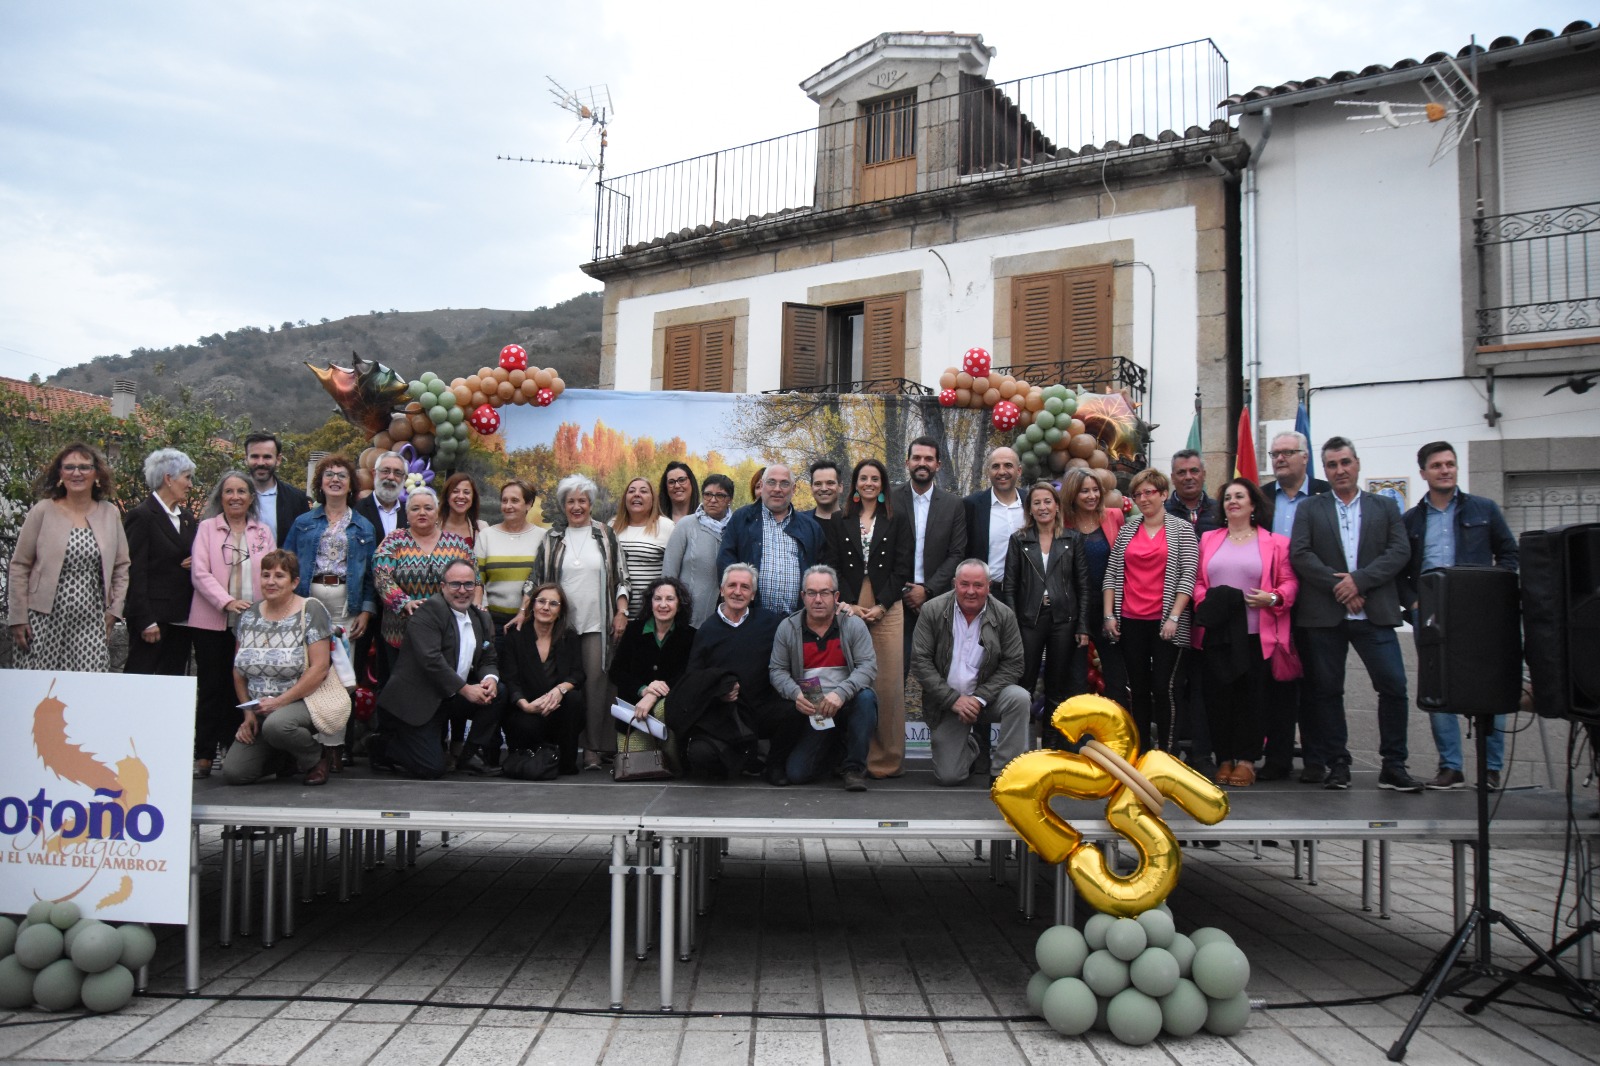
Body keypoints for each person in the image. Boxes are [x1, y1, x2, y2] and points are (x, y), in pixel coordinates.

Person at [1290, 436, 1422, 792]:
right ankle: (1338, 765)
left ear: (1357, 464)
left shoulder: (1384, 506)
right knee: (1327, 692)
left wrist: (1359, 582)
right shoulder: (1310, 508)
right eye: (1332, 465)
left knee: (1394, 686)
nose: (1340, 470)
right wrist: (1341, 587)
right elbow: (1300, 554)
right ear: (1325, 470)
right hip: (1325, 617)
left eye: (1345, 462)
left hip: (1374, 614)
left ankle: (1394, 765)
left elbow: (1399, 551)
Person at [1400, 441, 1519, 791]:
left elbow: (1509, 553)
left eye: (1450, 464)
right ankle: (1451, 767)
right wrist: (1415, 604)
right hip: (1433, 617)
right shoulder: (1411, 520)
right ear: (1423, 473)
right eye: (1437, 465)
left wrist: (1495, 592)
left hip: (1479, 614)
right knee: (1439, 691)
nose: (1445, 470)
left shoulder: (1484, 509)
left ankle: (1491, 769)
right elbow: (1399, 572)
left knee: (1490, 689)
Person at [513, 474, 629, 769]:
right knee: (563, 687)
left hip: (596, 625)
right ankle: (561, 746)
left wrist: (621, 612)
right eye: (570, 501)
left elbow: (622, 577)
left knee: (596, 688)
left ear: (591, 503)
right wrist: (523, 610)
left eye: (582, 501)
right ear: (563, 506)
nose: (577, 506)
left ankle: (593, 748)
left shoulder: (605, 535)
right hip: (558, 628)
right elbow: (535, 580)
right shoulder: (551, 538)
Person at [1190, 478, 1298, 787]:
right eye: (1227, 498)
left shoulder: (1275, 542)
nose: (1232, 501)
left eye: (1240, 496)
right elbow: (1198, 580)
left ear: (1253, 504)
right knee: (1218, 698)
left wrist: (1274, 597)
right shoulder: (1209, 539)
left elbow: (1289, 581)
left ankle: (1248, 760)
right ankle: (1224, 757)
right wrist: (1204, 601)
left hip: (1255, 633)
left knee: (1253, 699)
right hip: (1217, 633)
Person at [665, 563, 805, 784]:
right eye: (732, 585)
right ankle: (741, 761)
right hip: (723, 714)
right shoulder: (706, 630)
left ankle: (774, 765)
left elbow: (803, 624)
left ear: (753, 594)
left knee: (795, 711)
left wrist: (839, 609)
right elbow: (693, 680)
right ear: (721, 590)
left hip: (760, 708)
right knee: (700, 755)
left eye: (745, 587)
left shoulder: (771, 623)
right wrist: (718, 692)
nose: (737, 592)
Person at [372, 487, 477, 766]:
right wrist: (403, 602)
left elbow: (472, 577)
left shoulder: (456, 543)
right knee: (400, 694)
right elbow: (381, 576)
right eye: (415, 508)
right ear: (407, 514)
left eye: (427, 508)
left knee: (438, 691)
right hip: (400, 633)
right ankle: (392, 748)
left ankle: (434, 745)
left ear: (437, 512)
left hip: (445, 637)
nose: (422, 513)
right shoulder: (394, 541)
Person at [821, 458, 912, 777]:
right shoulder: (839, 518)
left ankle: (887, 760)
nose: (869, 483)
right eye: (863, 478)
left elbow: (904, 567)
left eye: (875, 478)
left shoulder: (897, 518)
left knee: (887, 684)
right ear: (855, 484)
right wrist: (847, 603)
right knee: (850, 678)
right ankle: (852, 757)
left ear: (883, 485)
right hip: (849, 605)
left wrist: (883, 604)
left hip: (887, 604)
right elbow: (832, 564)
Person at [370, 560, 499, 779]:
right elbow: (431, 660)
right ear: (442, 586)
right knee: (432, 769)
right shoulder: (428, 611)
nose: (462, 591)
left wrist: (490, 679)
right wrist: (466, 689)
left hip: (450, 697)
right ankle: (382, 744)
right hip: (418, 702)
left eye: (468, 585)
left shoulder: (481, 617)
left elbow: (488, 656)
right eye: (455, 584)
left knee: (500, 693)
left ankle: (469, 755)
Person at [9, 443, 130, 673]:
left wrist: (114, 611)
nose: (77, 473)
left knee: (89, 689)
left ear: (96, 474)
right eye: (70, 467)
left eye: (84, 467)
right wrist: (18, 617)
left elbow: (122, 566)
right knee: (39, 692)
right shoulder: (42, 511)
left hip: (90, 619)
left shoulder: (110, 513)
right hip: (42, 620)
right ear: (60, 474)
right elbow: (19, 566)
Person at [1103, 468, 1198, 754]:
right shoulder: (1128, 530)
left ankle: (1168, 752)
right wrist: (1109, 615)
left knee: (1164, 688)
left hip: (1167, 622)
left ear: (1164, 494)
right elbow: (1111, 574)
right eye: (1138, 494)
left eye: (1149, 492)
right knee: (1139, 690)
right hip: (1131, 620)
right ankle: (1142, 750)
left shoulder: (1182, 529)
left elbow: (1188, 575)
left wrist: (1174, 616)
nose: (1144, 498)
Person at [911, 559, 1031, 786]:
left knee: (1019, 698)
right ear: (954, 583)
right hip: (948, 703)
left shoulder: (1005, 615)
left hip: (988, 698)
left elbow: (1014, 664)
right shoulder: (932, 610)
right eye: (964, 584)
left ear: (989, 586)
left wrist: (979, 698)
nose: (970, 591)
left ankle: (1005, 773)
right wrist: (953, 699)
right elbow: (920, 662)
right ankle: (973, 746)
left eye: (978, 585)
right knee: (949, 777)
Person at [224, 550, 338, 786]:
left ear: (294, 581)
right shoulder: (248, 616)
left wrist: (279, 702)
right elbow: (238, 670)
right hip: (260, 709)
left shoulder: (311, 609)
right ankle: (286, 756)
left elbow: (320, 667)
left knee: (278, 725)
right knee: (235, 773)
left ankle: (316, 757)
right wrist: (248, 713)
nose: (271, 582)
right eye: (266, 575)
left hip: (303, 702)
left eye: (279, 576)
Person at [189, 471, 276, 778]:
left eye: (242, 491)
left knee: (239, 686)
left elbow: (272, 573)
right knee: (211, 685)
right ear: (220, 497)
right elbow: (199, 573)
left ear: (252, 497)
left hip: (251, 623)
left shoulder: (263, 532)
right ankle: (203, 753)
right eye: (229, 491)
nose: (235, 496)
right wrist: (226, 601)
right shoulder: (207, 529)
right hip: (211, 618)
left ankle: (231, 747)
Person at [1258, 430, 1329, 780]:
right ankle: (1278, 758)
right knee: (1278, 684)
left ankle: (1316, 759)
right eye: (1275, 454)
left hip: (1315, 603)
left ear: (1305, 456)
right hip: (1272, 605)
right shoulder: (1263, 497)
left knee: (1316, 682)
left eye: (1287, 452)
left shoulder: (1324, 494)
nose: (1280, 459)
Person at [769, 565, 878, 790]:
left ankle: (854, 769)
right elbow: (777, 670)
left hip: (847, 701)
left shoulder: (853, 625)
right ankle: (836, 749)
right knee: (797, 774)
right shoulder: (787, 628)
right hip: (814, 709)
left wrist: (841, 693)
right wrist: (795, 693)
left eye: (825, 593)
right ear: (803, 596)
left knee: (866, 698)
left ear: (836, 596)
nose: (818, 599)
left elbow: (868, 667)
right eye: (811, 593)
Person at [1002, 481, 1090, 746]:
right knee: (1024, 683)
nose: (1043, 507)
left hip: (1064, 619)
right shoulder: (1019, 539)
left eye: (1047, 501)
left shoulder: (1073, 539)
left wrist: (1083, 625)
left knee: (1056, 684)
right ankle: (1021, 744)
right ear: (1030, 509)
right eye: (1037, 502)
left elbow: (1083, 585)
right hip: (1029, 619)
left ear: (1057, 506)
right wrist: (1012, 625)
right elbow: (1010, 586)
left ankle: (1052, 745)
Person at [892, 437, 967, 679]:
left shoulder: (953, 504)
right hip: (896, 601)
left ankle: (937, 719)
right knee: (895, 673)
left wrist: (927, 590)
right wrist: (905, 589)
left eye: (928, 459)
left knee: (939, 673)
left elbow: (957, 553)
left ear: (938, 465)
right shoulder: (891, 500)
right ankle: (893, 719)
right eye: (917, 458)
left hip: (939, 602)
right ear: (907, 462)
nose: (922, 463)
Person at [284, 453, 376, 647]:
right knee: (306, 659)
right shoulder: (302, 522)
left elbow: (370, 574)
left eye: (342, 475)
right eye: (329, 475)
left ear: (351, 485)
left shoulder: (365, 527)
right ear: (320, 483)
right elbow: (286, 565)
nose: (335, 479)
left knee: (342, 665)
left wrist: (366, 611)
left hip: (345, 602)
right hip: (307, 597)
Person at [122, 447, 198, 677]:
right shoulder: (141, 516)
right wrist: (145, 620)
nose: (190, 485)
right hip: (153, 621)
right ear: (168, 478)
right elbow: (134, 572)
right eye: (187, 477)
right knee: (140, 680)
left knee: (172, 686)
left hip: (182, 619)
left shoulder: (186, 518)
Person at [501, 581, 585, 775]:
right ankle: (529, 760)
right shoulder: (516, 636)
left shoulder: (568, 636)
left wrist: (560, 690)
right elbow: (510, 678)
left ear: (561, 610)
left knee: (574, 699)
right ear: (533, 605)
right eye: (541, 601)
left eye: (553, 603)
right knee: (525, 723)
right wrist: (526, 706)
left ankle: (565, 762)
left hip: (557, 707)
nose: (546, 607)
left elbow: (578, 674)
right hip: (526, 708)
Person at [718, 464, 825, 616]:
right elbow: (725, 562)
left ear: (793, 489)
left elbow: (821, 572)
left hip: (798, 622)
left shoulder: (811, 528)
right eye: (771, 482)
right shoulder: (742, 519)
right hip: (750, 620)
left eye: (784, 483)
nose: (777, 489)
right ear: (761, 486)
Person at [1061, 468, 1127, 707]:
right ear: (1072, 494)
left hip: (1109, 608)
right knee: (1076, 679)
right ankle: (1079, 740)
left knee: (1116, 677)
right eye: (1084, 491)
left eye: (1095, 490)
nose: (1092, 496)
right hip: (1075, 611)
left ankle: (1122, 737)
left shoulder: (1114, 516)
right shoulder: (1063, 523)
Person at [610, 576, 697, 754]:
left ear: (679, 604)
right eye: (657, 598)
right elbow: (616, 672)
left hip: (671, 713)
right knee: (634, 763)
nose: (663, 604)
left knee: (669, 763)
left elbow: (689, 674)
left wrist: (654, 696)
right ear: (650, 602)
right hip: (634, 714)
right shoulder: (634, 630)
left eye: (670, 599)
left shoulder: (690, 635)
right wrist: (643, 690)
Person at [663, 473, 735, 628]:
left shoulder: (736, 528)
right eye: (708, 494)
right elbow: (669, 572)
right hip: (688, 614)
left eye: (720, 495)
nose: (713, 500)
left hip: (727, 614)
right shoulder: (686, 525)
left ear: (730, 500)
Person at [476, 479, 546, 629]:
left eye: (514, 500)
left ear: (528, 504)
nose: (508, 506)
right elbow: (477, 581)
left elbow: (544, 581)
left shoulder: (543, 537)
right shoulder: (486, 536)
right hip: (493, 621)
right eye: (504, 501)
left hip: (531, 623)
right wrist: (480, 616)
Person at [614, 477, 674, 618]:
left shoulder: (666, 527)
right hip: (617, 615)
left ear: (653, 499)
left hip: (653, 615)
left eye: (644, 491)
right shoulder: (612, 526)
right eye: (631, 491)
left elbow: (673, 574)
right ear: (625, 498)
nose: (637, 494)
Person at [962, 447, 1025, 584]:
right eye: (996, 466)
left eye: (1008, 465)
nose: (1002, 472)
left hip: (1026, 593)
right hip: (987, 592)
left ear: (1019, 470)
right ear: (988, 472)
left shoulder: (1031, 503)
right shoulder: (972, 505)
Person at [243, 432, 309, 547]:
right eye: (255, 456)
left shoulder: (296, 499)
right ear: (246, 459)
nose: (261, 463)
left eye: (267, 457)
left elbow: (305, 543)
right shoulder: (231, 498)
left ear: (278, 459)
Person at [1166, 449, 1223, 534]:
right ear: (1173, 478)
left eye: (1194, 471)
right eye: (1181, 472)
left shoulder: (1221, 510)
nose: (1188, 477)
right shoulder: (1161, 512)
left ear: (1204, 475)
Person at [356, 451, 410, 540]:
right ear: (374, 473)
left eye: (397, 473)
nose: (391, 477)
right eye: (385, 471)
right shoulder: (357, 511)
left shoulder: (410, 514)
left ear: (405, 478)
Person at [441, 472, 485, 549]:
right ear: (447, 496)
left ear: (473, 498)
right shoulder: (433, 526)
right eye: (455, 491)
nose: (461, 496)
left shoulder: (482, 529)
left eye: (466, 492)